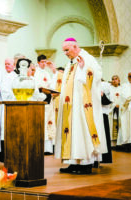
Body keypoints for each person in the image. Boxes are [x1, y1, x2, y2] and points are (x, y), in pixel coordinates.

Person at [55, 37, 107, 174]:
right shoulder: (71, 62)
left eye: (67, 50)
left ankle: (86, 164)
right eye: (64, 51)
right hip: (71, 106)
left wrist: (84, 69)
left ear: (75, 46)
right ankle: (73, 162)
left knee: (82, 131)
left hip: (82, 105)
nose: (65, 53)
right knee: (73, 132)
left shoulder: (87, 58)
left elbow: (96, 75)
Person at [34, 54, 58, 155]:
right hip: (40, 99)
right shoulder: (35, 72)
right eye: (42, 62)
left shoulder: (47, 73)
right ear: (38, 62)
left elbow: (52, 84)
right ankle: (42, 147)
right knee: (42, 122)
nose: (44, 64)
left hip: (49, 99)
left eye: (45, 62)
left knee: (50, 121)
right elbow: (37, 85)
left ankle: (49, 148)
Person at [109, 75, 122, 147]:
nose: (114, 80)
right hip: (112, 110)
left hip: (120, 110)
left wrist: (120, 105)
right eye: (113, 79)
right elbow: (109, 99)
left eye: (116, 79)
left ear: (119, 80)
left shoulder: (122, 89)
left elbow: (123, 99)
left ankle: (119, 143)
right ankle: (112, 144)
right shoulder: (109, 89)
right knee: (112, 126)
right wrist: (114, 105)